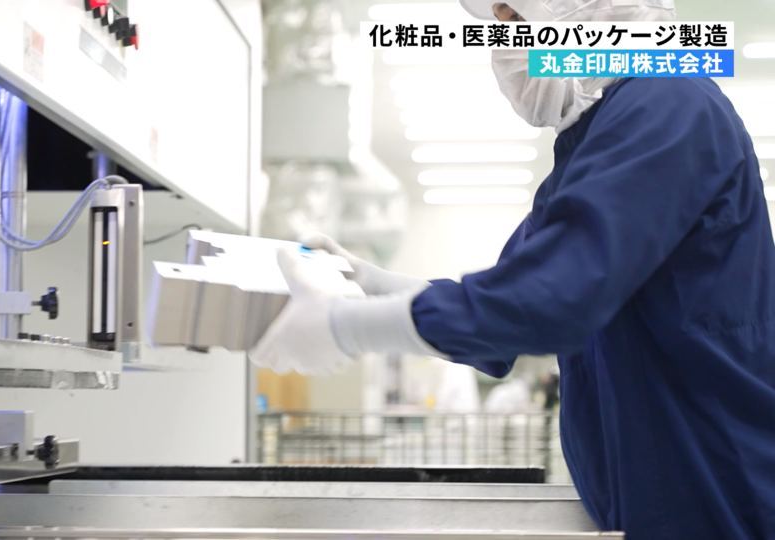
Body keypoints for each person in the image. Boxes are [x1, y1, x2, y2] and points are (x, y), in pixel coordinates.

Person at [249, 0, 775, 537]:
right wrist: (365, 283)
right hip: (665, 498)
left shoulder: (669, 105)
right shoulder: (595, 143)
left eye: (511, 19)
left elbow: (549, 300)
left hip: (718, 495)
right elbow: (508, 310)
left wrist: (345, 328)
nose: (502, 44)